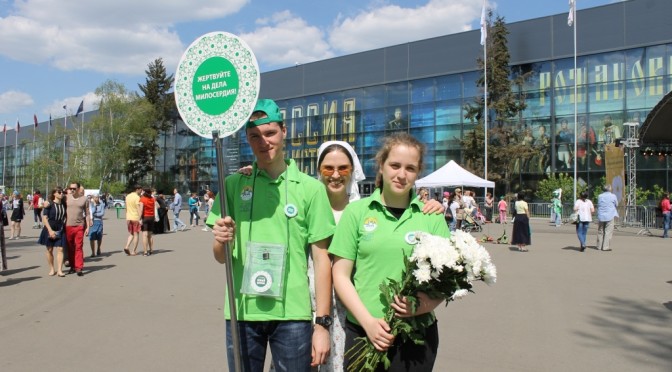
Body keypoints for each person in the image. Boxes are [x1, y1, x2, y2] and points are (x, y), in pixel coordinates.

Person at [209, 99, 335, 371]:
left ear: (284, 132)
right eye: (255, 136)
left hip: (292, 315)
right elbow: (221, 258)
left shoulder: (311, 189)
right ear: (247, 139)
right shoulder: (233, 185)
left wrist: (322, 324)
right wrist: (220, 241)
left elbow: (322, 259)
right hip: (242, 311)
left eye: (270, 133)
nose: (263, 142)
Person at [330, 132, 450, 371]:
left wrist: (423, 306)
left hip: (416, 336)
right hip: (363, 333)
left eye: (410, 168)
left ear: (418, 173)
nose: (401, 174)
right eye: (395, 165)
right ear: (381, 166)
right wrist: (368, 323)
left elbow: (446, 279)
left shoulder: (432, 217)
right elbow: (340, 275)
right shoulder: (357, 213)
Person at [37, 187, 67, 277]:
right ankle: (52, 269)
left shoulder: (64, 204)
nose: (61, 193)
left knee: (60, 249)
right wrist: (50, 230)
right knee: (50, 249)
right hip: (50, 226)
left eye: (62, 192)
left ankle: (60, 270)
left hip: (60, 227)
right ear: (54, 193)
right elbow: (44, 218)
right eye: (59, 192)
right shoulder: (49, 204)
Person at [65, 182, 91, 276]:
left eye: (74, 188)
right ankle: (72, 266)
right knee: (70, 247)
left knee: (78, 247)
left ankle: (79, 267)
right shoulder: (66, 197)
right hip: (68, 225)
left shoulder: (84, 199)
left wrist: (88, 227)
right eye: (70, 188)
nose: (72, 190)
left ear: (78, 189)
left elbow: (87, 213)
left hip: (79, 226)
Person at [596, 185, 619, 251]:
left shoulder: (600, 196)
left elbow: (599, 204)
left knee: (600, 231)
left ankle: (599, 246)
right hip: (610, 215)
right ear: (610, 189)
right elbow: (616, 204)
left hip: (601, 215)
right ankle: (605, 247)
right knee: (608, 231)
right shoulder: (613, 196)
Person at [124, 185, 143, 256]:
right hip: (135, 217)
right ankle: (134, 250)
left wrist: (127, 216)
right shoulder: (137, 197)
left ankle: (126, 246)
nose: (141, 191)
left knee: (131, 233)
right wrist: (140, 218)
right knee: (136, 234)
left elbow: (126, 208)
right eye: (140, 190)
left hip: (129, 217)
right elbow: (138, 209)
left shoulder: (128, 196)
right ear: (137, 189)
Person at [139, 188, 157, 256]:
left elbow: (141, 210)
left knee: (144, 235)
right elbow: (154, 208)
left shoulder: (142, 199)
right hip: (151, 217)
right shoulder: (152, 199)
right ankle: (151, 250)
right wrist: (154, 217)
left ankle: (145, 251)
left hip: (145, 217)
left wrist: (139, 219)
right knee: (150, 235)